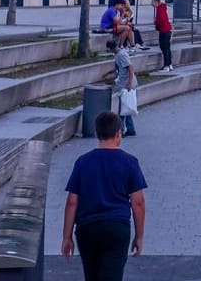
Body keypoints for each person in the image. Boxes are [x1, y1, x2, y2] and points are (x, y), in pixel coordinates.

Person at [62, 110, 147, 281]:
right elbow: (138, 203)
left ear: (96, 134)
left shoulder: (82, 162)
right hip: (117, 227)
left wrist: (67, 236)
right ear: (118, 134)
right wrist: (139, 236)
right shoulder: (130, 162)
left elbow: (72, 202)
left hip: (87, 227)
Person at [111, 41, 138, 136]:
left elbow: (130, 68)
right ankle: (130, 129)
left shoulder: (121, 55)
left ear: (113, 48)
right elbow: (119, 67)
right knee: (126, 107)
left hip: (125, 84)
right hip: (123, 83)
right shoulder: (118, 54)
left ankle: (122, 130)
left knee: (122, 108)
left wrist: (129, 83)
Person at [153, 0, 174, 72]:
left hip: (164, 31)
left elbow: (160, 20)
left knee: (164, 48)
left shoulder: (159, 9)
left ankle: (166, 66)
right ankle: (169, 64)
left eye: (153, 2)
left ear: (156, 2)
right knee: (167, 48)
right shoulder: (162, 8)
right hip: (167, 30)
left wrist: (156, 24)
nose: (152, 4)